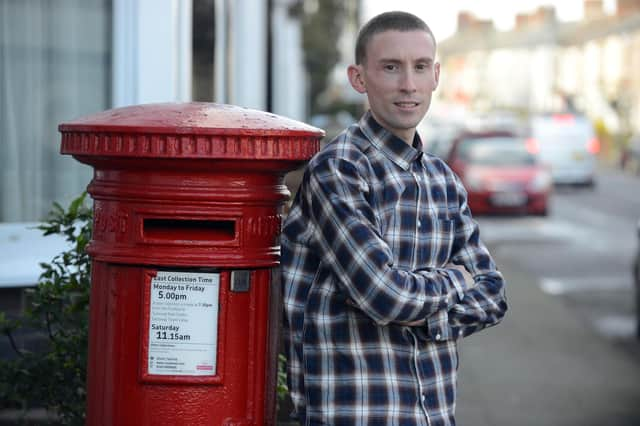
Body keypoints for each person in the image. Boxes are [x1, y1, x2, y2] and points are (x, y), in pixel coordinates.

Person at [281, 11, 507, 426]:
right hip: (351, 414)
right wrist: (458, 279)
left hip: (433, 414)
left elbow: (493, 296)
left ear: (436, 75)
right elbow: (385, 295)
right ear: (358, 78)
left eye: (420, 67)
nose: (408, 84)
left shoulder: (443, 179)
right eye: (391, 67)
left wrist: (424, 320)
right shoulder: (340, 170)